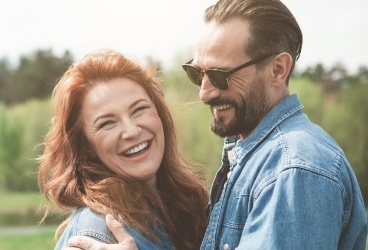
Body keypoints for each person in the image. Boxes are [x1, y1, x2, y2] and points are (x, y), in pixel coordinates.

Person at [66, 0, 368, 249]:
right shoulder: (98, 231)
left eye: (221, 76)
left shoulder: (292, 170)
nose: (204, 92)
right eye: (198, 74)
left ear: (278, 70)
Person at [37, 49, 209, 250]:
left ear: (159, 113)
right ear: (86, 147)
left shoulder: (186, 204)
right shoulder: (99, 233)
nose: (132, 131)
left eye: (139, 109)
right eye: (107, 123)